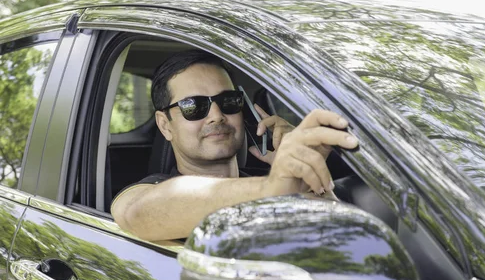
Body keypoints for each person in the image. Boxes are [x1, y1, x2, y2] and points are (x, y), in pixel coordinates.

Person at [111, 50, 358, 241]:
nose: (216, 115)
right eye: (194, 106)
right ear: (165, 125)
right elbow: (135, 212)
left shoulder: (273, 180)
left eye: (228, 101)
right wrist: (274, 189)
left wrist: (312, 181)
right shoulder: (151, 191)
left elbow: (343, 241)